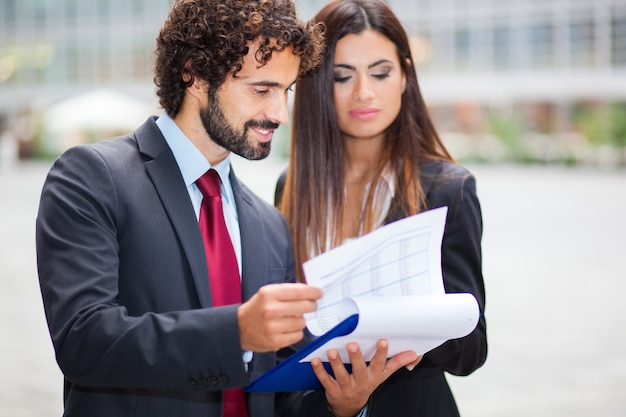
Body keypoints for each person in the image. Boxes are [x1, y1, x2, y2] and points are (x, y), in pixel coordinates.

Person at [35, 1, 333, 416]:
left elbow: (276, 392)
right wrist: (236, 332)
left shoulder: (269, 225)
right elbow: (84, 340)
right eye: (262, 89)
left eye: (286, 91)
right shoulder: (92, 177)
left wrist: (339, 402)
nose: (279, 113)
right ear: (194, 73)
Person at [276, 0, 488, 415]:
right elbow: (291, 341)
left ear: (405, 75)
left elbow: (472, 349)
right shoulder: (292, 187)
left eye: (381, 72)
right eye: (342, 76)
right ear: (317, 84)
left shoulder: (446, 190)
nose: (364, 93)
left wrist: (403, 324)